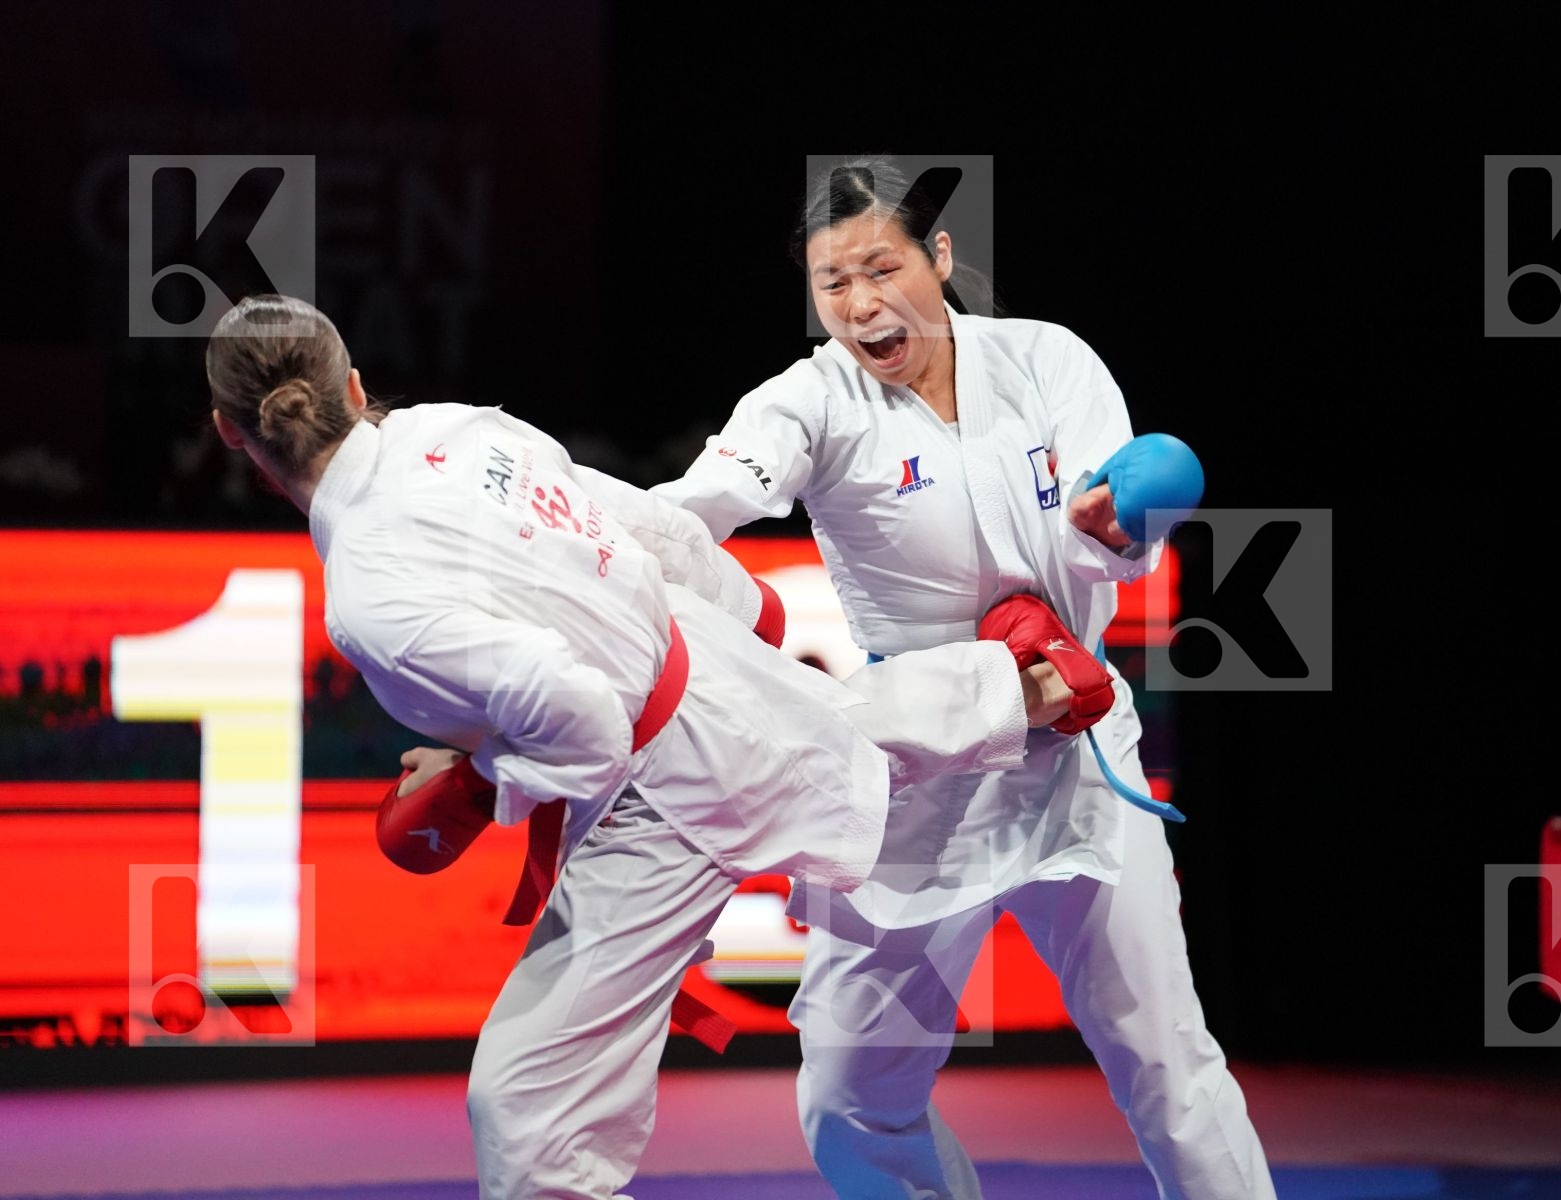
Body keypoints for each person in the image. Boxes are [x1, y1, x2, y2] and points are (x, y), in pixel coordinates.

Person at [204, 293, 1109, 1200]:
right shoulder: (451, 428)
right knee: (827, 731)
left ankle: (1016, 686)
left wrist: (477, 782)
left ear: (231, 434)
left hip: (661, 792)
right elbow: (628, 522)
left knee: (528, 1114)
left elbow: (585, 728)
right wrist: (743, 608)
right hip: (687, 647)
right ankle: (1023, 683)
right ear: (354, 385)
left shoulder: (369, 594)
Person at [651, 158, 1275, 1200]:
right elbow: (701, 503)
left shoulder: (1047, 362)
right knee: (850, 1098)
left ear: (938, 258)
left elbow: (1111, 527)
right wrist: (596, 549)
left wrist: (1119, 528)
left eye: (881, 268)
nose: (859, 306)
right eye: (832, 283)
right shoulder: (809, 400)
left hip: (1077, 758)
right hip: (919, 778)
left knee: (1169, 1066)